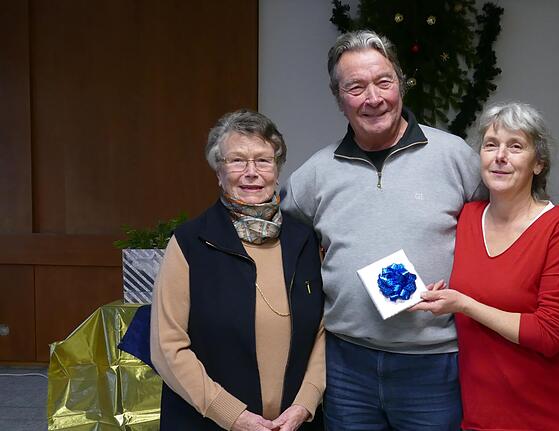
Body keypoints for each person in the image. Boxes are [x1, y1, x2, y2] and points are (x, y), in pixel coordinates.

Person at [282, 30, 484, 430]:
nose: (373, 98)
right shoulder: (317, 173)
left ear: (401, 83)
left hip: (434, 364)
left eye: (383, 82)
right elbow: (280, 238)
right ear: (339, 99)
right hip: (346, 365)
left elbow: (506, 230)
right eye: (355, 87)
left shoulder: (455, 156)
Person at [411, 102, 559, 430]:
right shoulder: (466, 217)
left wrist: (463, 304)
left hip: (546, 415)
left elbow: (551, 335)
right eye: (491, 144)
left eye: (516, 146)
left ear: (538, 164)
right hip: (480, 415)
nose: (500, 156)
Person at [150, 109, 325, 431]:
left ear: (277, 169)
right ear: (219, 172)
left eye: (262, 160)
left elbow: (323, 332)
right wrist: (233, 416)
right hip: (210, 423)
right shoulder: (191, 243)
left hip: (296, 424)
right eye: (237, 161)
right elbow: (167, 346)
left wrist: (304, 404)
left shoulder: (304, 240)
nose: (251, 172)